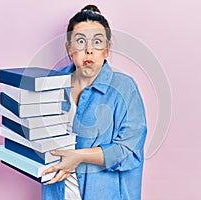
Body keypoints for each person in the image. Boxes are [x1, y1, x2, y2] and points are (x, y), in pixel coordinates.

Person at [41, 4, 147, 200]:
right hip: (57, 193)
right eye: (80, 42)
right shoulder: (50, 83)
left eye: (97, 42)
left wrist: (79, 156)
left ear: (106, 50)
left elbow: (129, 151)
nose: (89, 50)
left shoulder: (124, 88)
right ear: (69, 48)